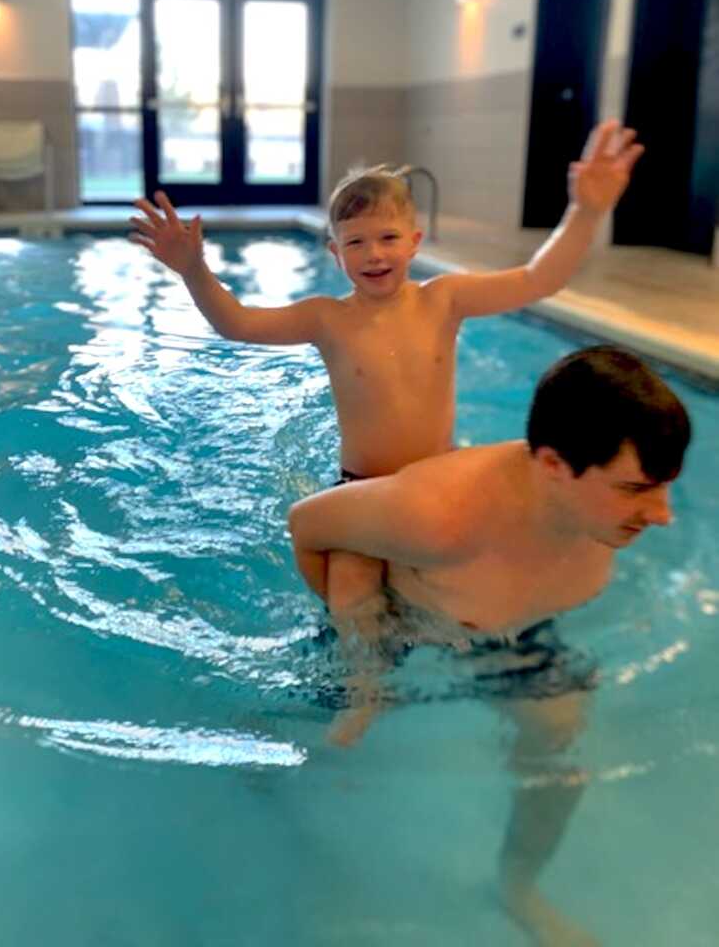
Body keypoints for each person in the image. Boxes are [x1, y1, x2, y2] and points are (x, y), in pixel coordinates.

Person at [130, 119, 643, 625]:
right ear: (334, 253)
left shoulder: (445, 300)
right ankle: (361, 698)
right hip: (365, 488)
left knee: (491, 573)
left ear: (415, 241)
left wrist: (585, 210)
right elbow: (237, 324)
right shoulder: (326, 319)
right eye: (355, 243)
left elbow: (539, 279)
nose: (374, 254)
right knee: (352, 596)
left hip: (440, 483)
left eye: (388, 237)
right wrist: (193, 270)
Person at [288, 346, 691, 947]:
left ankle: (516, 889)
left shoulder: (596, 515)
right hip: (404, 615)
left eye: (663, 489)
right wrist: (361, 647)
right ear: (554, 465)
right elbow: (309, 525)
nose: (662, 516)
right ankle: (266, 793)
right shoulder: (437, 517)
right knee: (312, 728)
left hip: (510, 629)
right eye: (636, 488)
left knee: (561, 752)